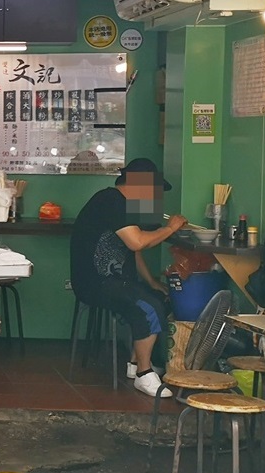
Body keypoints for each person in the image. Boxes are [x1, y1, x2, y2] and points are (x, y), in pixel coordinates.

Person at [69, 157, 188, 397]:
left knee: (160, 297)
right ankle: (145, 375)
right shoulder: (111, 201)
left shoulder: (121, 205)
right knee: (147, 306)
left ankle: (135, 365)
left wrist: (153, 282)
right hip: (96, 283)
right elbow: (137, 242)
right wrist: (171, 228)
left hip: (116, 282)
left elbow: (133, 251)